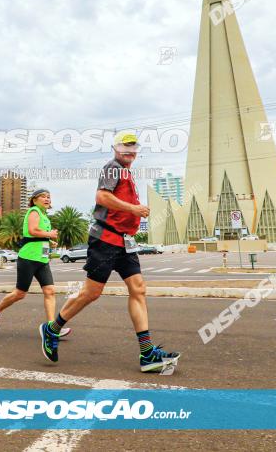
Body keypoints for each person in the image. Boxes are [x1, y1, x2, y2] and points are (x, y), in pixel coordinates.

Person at [38, 131, 180, 372]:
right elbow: (102, 196)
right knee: (91, 293)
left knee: (138, 289)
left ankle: (147, 354)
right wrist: (134, 208)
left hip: (125, 242)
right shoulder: (112, 168)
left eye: (134, 148)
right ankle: (52, 328)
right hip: (105, 240)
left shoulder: (126, 173)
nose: (130, 152)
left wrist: (132, 214)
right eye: (126, 147)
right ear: (116, 149)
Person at [0, 189, 72, 338]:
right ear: (34, 200)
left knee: (50, 291)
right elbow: (32, 231)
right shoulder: (34, 211)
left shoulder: (44, 216)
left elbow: (37, 235)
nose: (47, 199)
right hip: (28, 259)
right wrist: (49, 234)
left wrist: (49, 241)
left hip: (42, 260)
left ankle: (51, 329)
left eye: (49, 197)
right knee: (20, 293)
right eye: (43, 196)